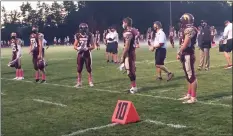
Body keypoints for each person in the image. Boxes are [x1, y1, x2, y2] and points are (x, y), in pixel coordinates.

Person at [177, 13, 198, 104]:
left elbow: (186, 43)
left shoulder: (189, 29)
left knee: (191, 76)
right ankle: (189, 94)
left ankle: (193, 97)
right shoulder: (189, 29)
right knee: (188, 76)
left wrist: (179, 51)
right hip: (186, 54)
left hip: (188, 54)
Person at [73, 23, 95, 87]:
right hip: (80, 53)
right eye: (84, 29)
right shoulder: (78, 35)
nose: (85, 30)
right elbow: (74, 45)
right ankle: (79, 82)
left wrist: (87, 48)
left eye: (85, 29)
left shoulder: (90, 35)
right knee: (79, 68)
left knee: (89, 68)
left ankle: (90, 81)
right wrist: (78, 48)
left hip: (87, 53)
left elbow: (93, 46)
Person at [120, 17, 138, 94]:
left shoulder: (128, 32)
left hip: (129, 53)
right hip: (132, 51)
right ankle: (133, 86)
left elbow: (127, 46)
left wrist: (122, 56)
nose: (122, 24)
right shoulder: (133, 30)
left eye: (123, 23)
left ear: (126, 23)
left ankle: (134, 87)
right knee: (129, 71)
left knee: (130, 71)